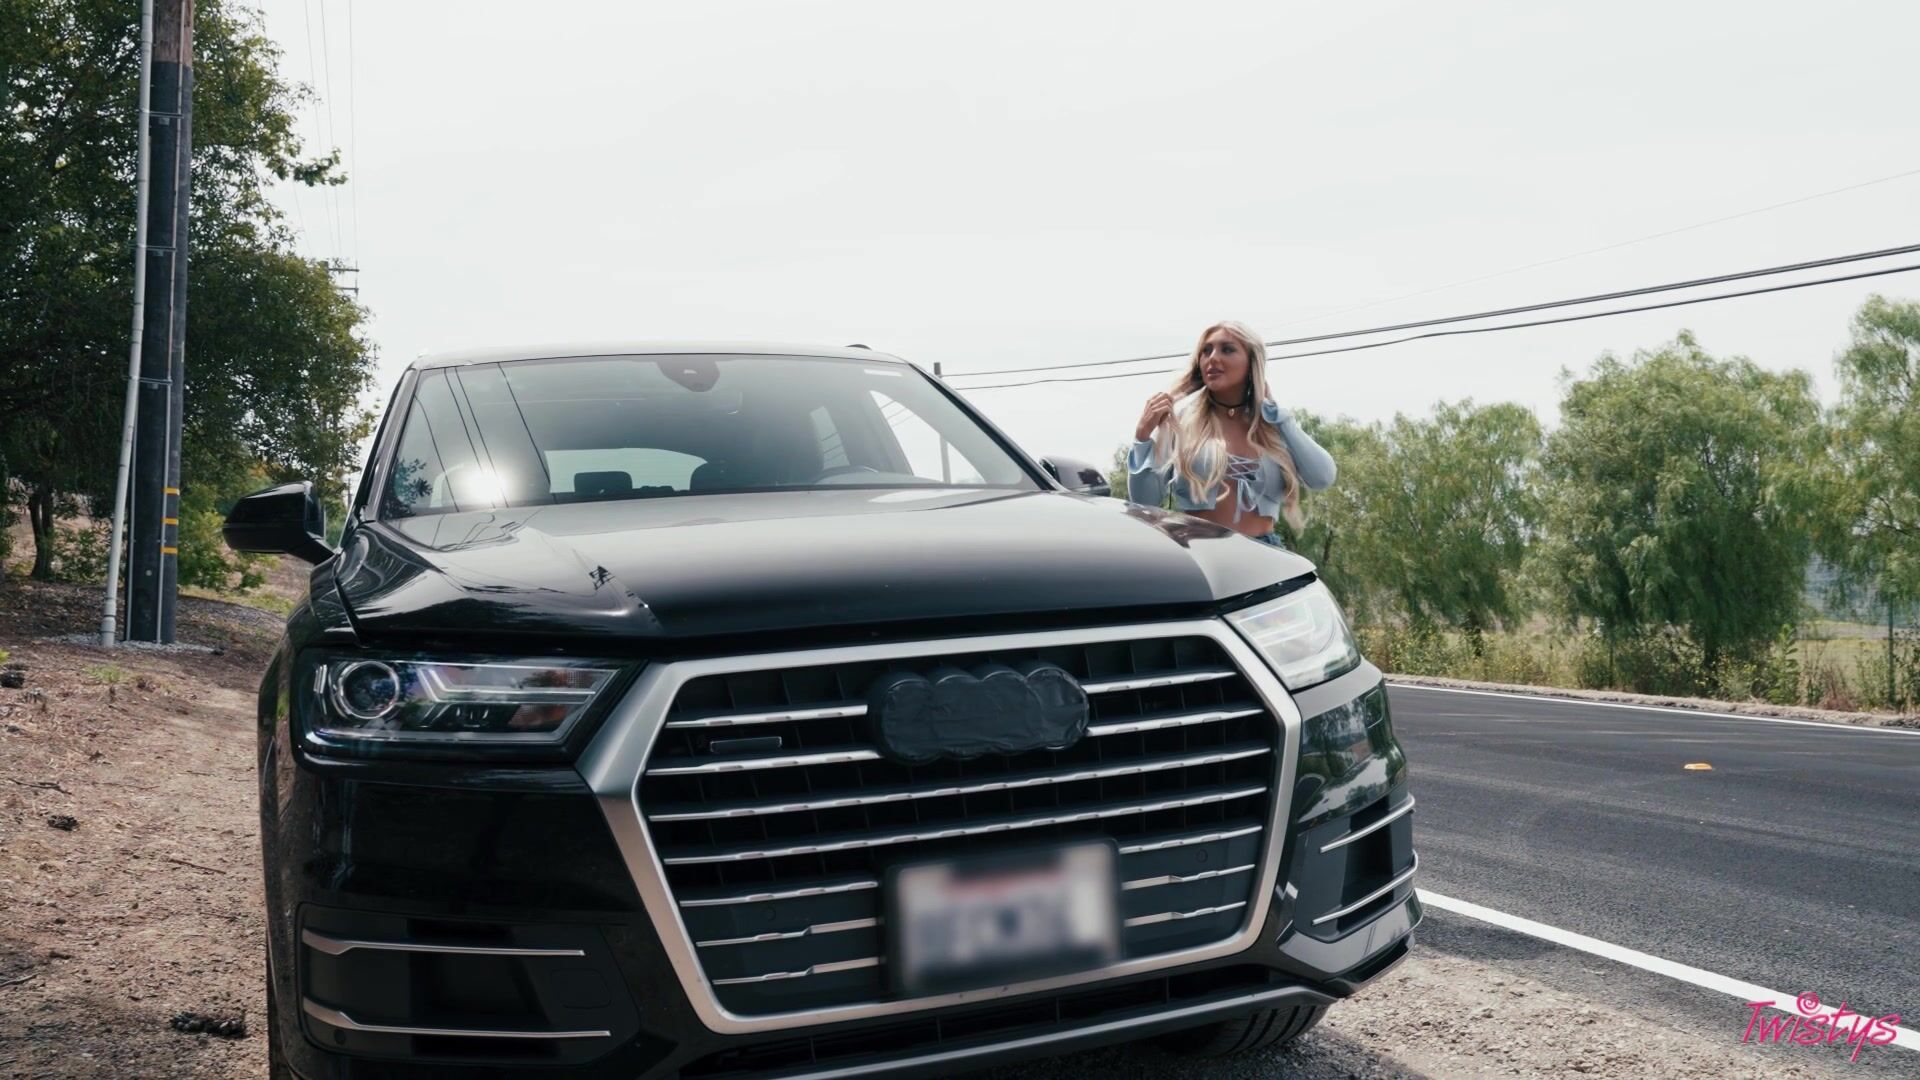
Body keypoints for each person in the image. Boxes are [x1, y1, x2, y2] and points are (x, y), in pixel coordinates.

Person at [1125, 320, 1336, 547]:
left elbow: (1322, 478)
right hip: (1199, 550)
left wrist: (1278, 416)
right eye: (1206, 351)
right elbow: (1144, 501)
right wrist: (1142, 437)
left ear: (1251, 362)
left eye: (1227, 349)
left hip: (1266, 553)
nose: (1213, 358)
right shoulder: (1180, 423)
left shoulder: (1273, 426)